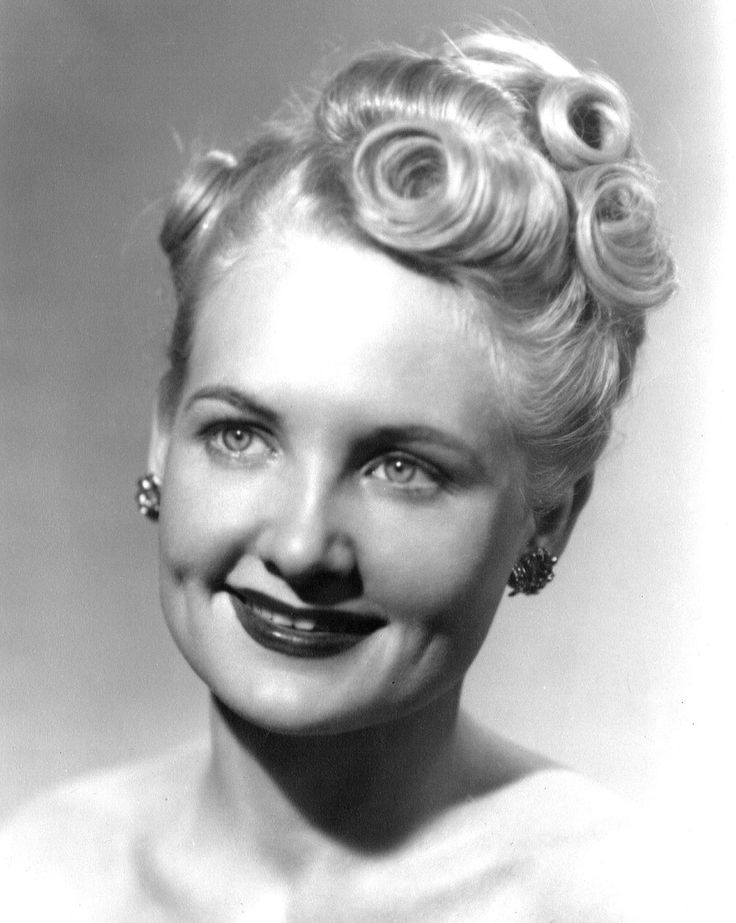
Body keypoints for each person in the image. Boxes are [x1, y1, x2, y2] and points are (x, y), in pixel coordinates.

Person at [0, 25, 679, 921]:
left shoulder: (636, 901)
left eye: (401, 466)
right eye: (241, 435)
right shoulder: (36, 874)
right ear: (164, 432)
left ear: (548, 515)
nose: (299, 544)